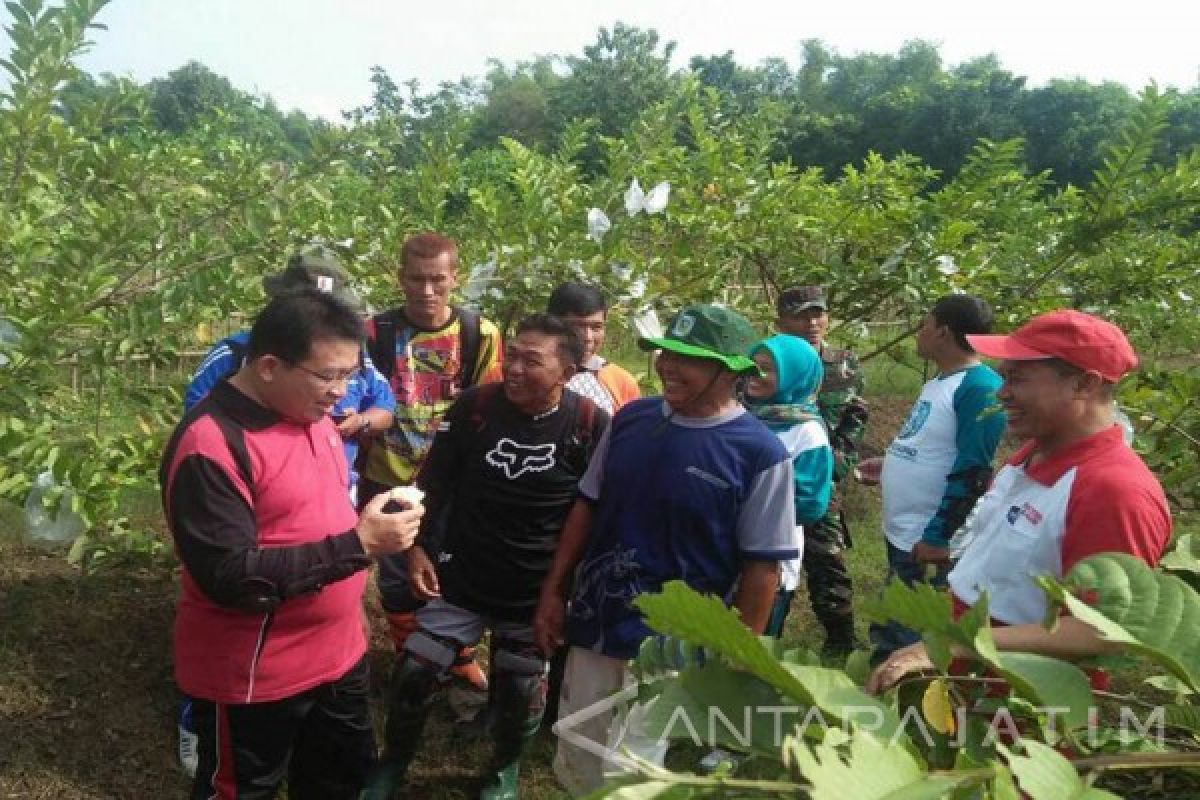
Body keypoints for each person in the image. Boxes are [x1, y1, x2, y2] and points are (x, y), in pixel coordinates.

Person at [160, 288, 425, 799]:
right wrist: (359, 545)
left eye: (349, 375)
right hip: (256, 675)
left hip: (338, 659)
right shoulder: (211, 445)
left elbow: (313, 518)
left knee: (341, 783)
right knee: (244, 788)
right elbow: (231, 578)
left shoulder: (315, 418)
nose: (341, 392)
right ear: (267, 366)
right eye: (328, 376)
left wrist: (351, 607)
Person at [533, 304, 798, 796]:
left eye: (687, 358)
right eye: (665, 353)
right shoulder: (633, 419)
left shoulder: (758, 453)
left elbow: (762, 566)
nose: (667, 366)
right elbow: (587, 506)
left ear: (729, 371)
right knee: (579, 746)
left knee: (639, 768)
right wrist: (554, 591)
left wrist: (738, 653)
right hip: (598, 619)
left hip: (673, 643)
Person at [364, 314, 609, 800]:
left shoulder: (590, 425)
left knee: (519, 689)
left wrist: (562, 592)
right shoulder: (476, 406)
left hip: (532, 588)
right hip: (464, 576)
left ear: (567, 371)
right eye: (511, 356)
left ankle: (503, 769)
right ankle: (392, 763)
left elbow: (594, 513)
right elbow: (433, 484)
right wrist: (418, 551)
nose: (513, 369)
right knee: (415, 673)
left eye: (531, 361)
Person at [868, 309, 1172, 694]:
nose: (1002, 392)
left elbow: (1105, 630)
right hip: (969, 686)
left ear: (1083, 384)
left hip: (1020, 711)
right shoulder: (1031, 454)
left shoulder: (1114, 491)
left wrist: (960, 645)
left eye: (1018, 379)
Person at [361, 232, 504, 694]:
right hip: (388, 475)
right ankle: (409, 651)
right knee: (398, 571)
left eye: (437, 280)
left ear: (454, 278)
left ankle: (455, 655)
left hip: (450, 479)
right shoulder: (374, 333)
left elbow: (487, 405)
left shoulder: (478, 333)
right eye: (417, 279)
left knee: (450, 568)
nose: (427, 291)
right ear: (400, 277)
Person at [861, 294, 1006, 665]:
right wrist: (891, 463)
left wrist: (939, 535)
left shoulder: (978, 388)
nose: (918, 333)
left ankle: (909, 695)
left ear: (942, 332)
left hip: (932, 539)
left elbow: (974, 471)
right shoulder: (942, 382)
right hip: (907, 532)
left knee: (919, 629)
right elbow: (932, 445)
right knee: (898, 613)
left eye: (924, 325)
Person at [775, 285, 868, 654]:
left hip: (823, 479)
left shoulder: (843, 364)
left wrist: (841, 459)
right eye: (801, 315)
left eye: (818, 313)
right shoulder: (769, 362)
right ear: (781, 321)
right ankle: (764, 632)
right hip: (776, 476)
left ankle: (840, 639)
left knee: (826, 555)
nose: (813, 322)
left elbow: (856, 414)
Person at [744, 334, 834, 638]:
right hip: (726, 550)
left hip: (772, 558)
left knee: (754, 647)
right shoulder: (742, 415)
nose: (756, 375)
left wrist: (746, 503)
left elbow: (810, 503)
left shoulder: (806, 432)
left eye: (769, 369)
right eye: (754, 366)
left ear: (795, 375)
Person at [546, 281, 640, 414]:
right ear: (552, 323)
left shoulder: (621, 381)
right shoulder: (524, 373)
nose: (588, 337)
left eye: (596, 327)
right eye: (577, 326)